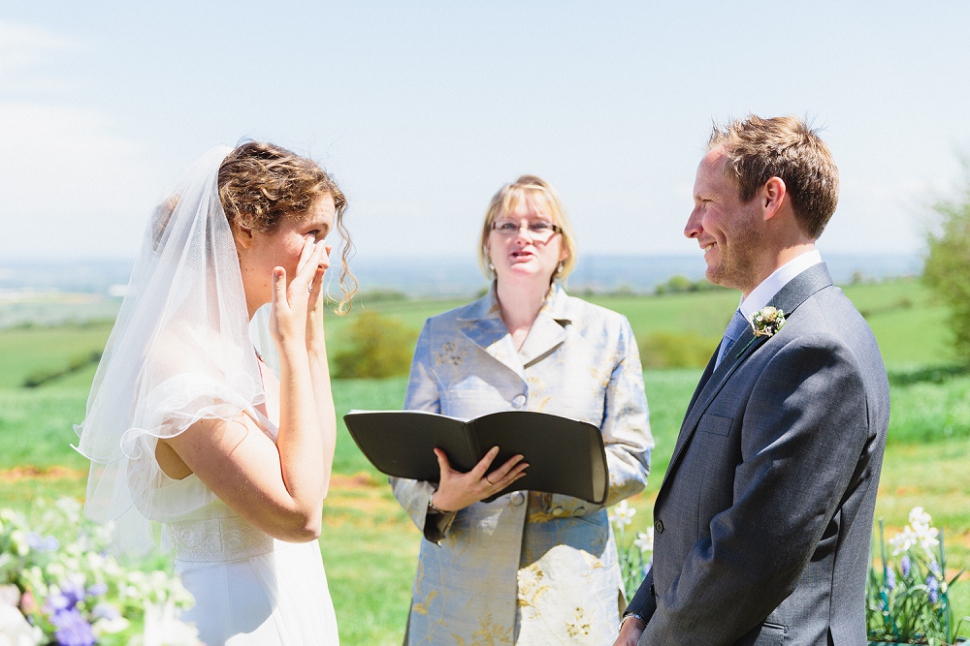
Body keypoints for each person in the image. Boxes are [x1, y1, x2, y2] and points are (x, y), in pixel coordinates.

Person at [615, 116, 891, 646]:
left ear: (770, 199)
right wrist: (642, 612)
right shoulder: (765, 325)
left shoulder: (818, 349)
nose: (691, 226)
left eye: (706, 202)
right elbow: (705, 513)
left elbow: (748, 556)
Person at [75, 142, 357, 645]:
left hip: (294, 599)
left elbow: (315, 479)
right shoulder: (178, 367)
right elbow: (301, 516)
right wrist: (291, 348)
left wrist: (311, 343)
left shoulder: (241, 350)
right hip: (227, 618)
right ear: (246, 229)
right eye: (312, 233)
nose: (325, 253)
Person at [390, 175, 653, 645]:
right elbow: (408, 460)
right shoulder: (440, 334)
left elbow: (632, 459)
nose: (522, 236)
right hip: (457, 597)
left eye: (539, 225)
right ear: (487, 244)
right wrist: (441, 501)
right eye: (507, 225)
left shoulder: (608, 332)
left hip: (568, 596)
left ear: (563, 247)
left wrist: (552, 489)